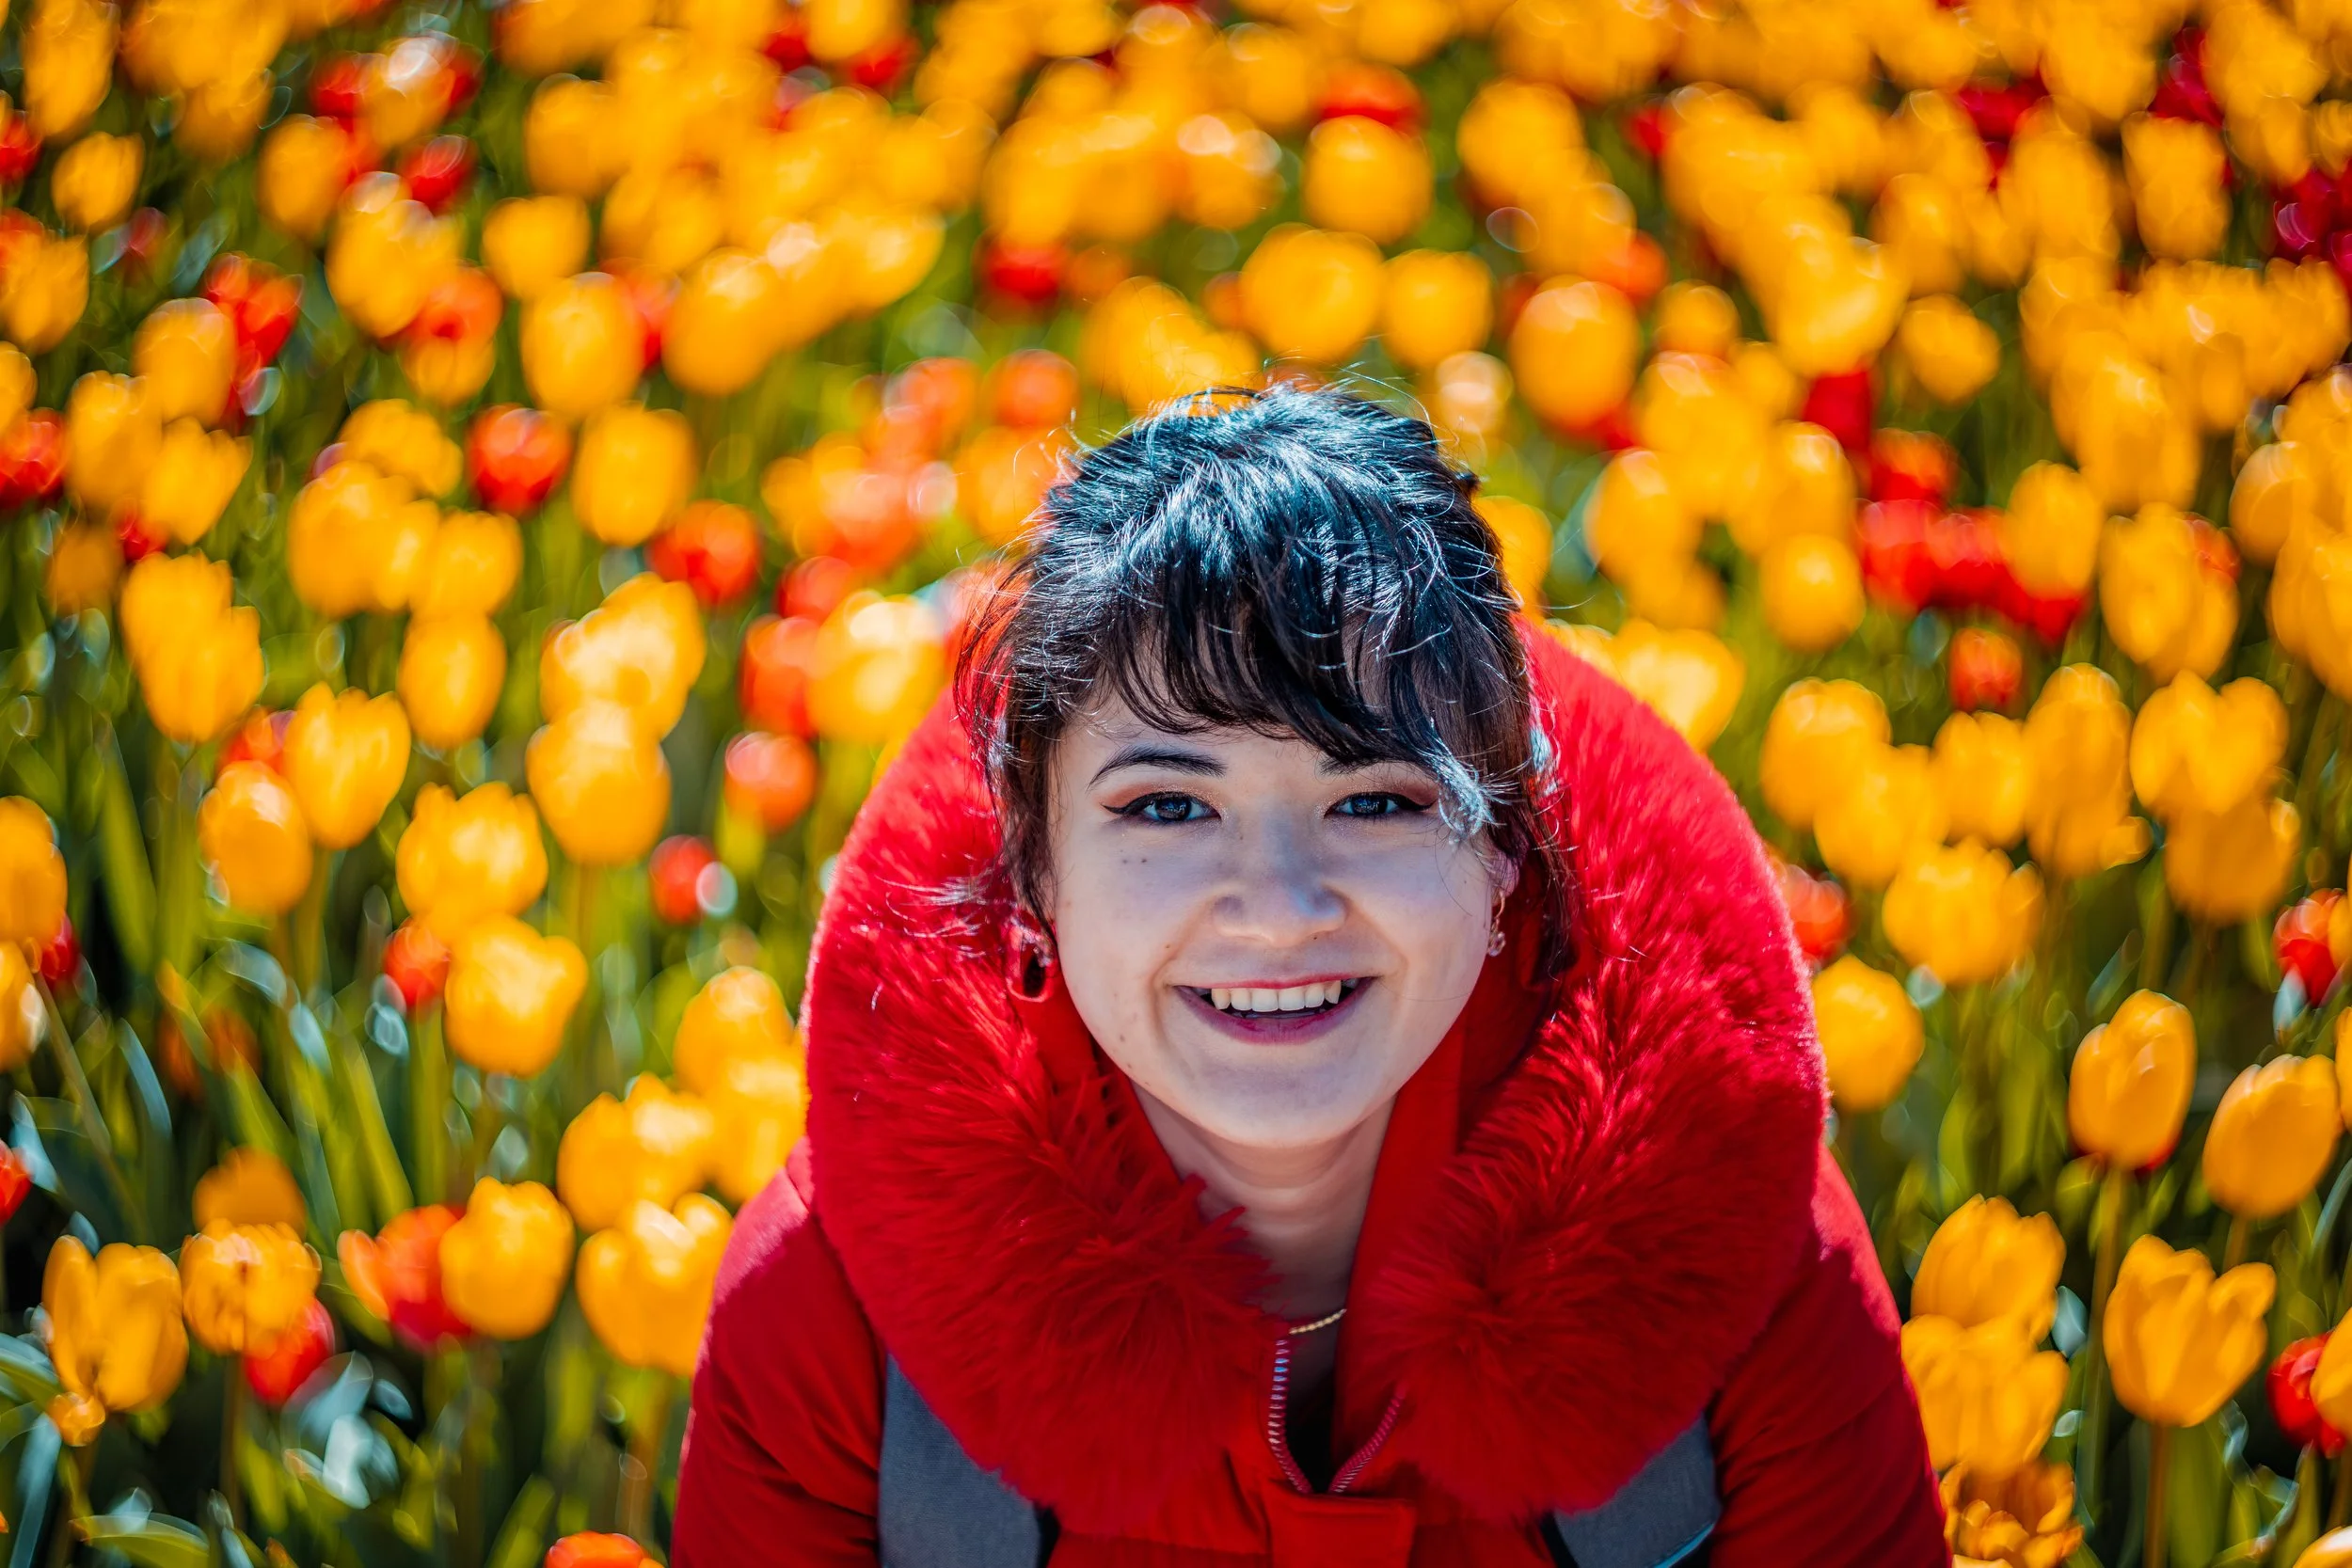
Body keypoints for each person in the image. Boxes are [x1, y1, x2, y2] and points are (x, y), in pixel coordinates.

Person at [674, 386, 1947, 1567]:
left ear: (1507, 851)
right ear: (1037, 870)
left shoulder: (1735, 1269)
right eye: (1169, 806)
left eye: (1375, 800)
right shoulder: (841, 1324)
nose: (1278, 910)